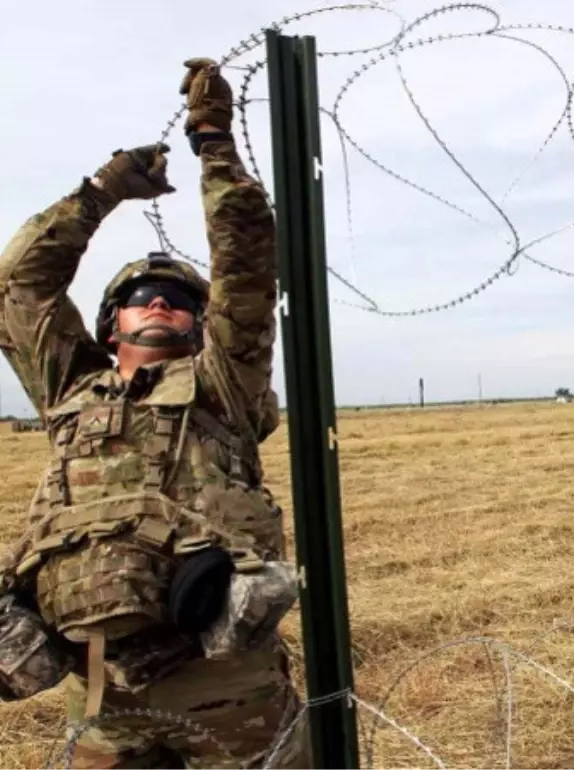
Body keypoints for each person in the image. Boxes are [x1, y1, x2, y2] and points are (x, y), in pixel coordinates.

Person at [0, 58, 309, 768]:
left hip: (224, 681)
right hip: (97, 688)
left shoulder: (220, 384)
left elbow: (246, 259)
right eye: (140, 296)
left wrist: (214, 142)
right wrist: (106, 189)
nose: (160, 302)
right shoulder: (71, 391)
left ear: (202, 327)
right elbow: (19, 283)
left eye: (179, 300)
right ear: (111, 326)